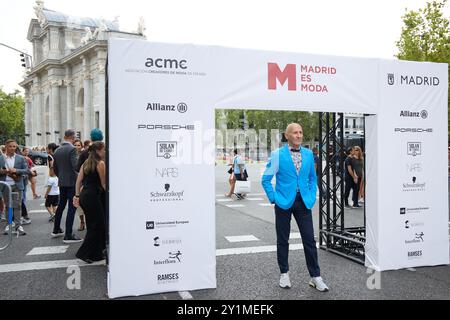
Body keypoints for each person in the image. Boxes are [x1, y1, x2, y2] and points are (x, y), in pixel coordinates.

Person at [261, 123, 329, 292]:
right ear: (287, 136)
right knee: (283, 240)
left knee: (309, 240)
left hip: (303, 202)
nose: (299, 135)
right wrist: (274, 199)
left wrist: (312, 195)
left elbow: (313, 178)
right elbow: (265, 179)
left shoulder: (308, 154)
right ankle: (284, 273)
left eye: (300, 132)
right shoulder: (277, 155)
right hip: (283, 202)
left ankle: (315, 276)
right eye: (295, 133)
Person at [73, 141, 106, 263]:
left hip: (84, 195)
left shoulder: (86, 163)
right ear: (98, 151)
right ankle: (83, 253)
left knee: (93, 224)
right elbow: (103, 184)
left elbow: (78, 182)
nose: (105, 152)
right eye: (104, 150)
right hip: (93, 196)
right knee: (98, 225)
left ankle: (95, 254)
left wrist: (77, 196)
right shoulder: (100, 164)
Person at [51, 129, 83, 243]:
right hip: (72, 182)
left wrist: (60, 176)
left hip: (62, 181)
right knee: (72, 206)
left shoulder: (57, 150)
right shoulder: (72, 149)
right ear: (73, 137)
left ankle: (56, 229)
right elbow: (76, 166)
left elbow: (54, 167)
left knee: (61, 205)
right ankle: (68, 234)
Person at [0, 140, 30, 236]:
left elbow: (26, 170)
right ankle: (9, 224)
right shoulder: (1, 158)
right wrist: (2, 171)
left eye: (14, 146)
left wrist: (16, 170)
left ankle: (18, 225)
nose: (13, 148)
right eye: (10, 146)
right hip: (6, 185)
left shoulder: (21, 158)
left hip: (17, 185)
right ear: (6, 147)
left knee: (17, 206)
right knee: (8, 206)